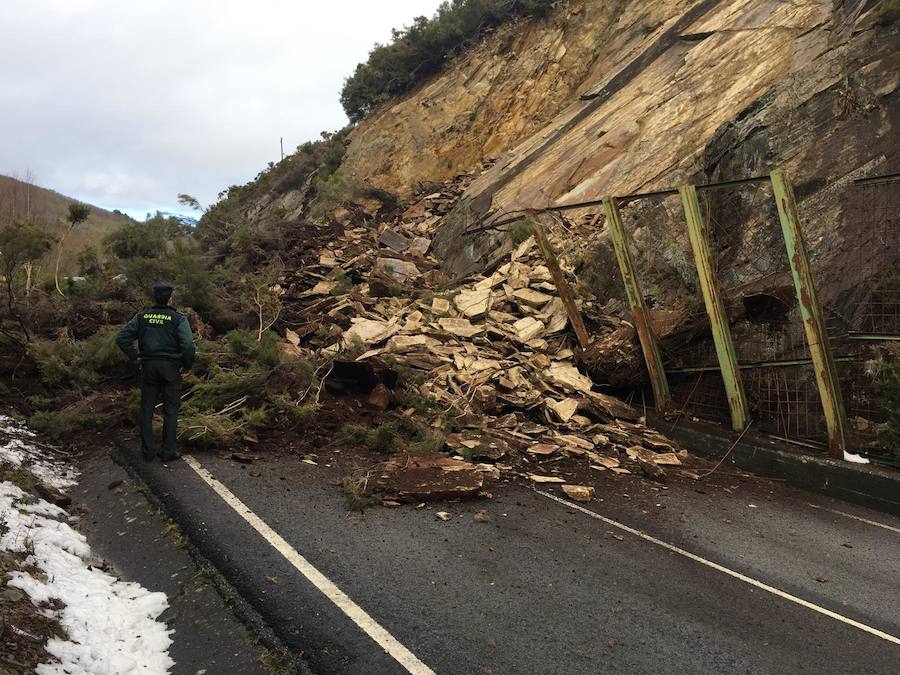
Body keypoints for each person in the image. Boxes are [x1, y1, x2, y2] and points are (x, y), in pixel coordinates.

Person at [116, 282, 196, 461]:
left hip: (149, 367)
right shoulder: (178, 318)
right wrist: (187, 364)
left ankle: (148, 451)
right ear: (170, 298)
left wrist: (135, 356)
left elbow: (122, 337)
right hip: (170, 368)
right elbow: (188, 345)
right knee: (171, 409)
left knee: (147, 409)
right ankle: (168, 451)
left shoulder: (142, 317)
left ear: (155, 297)